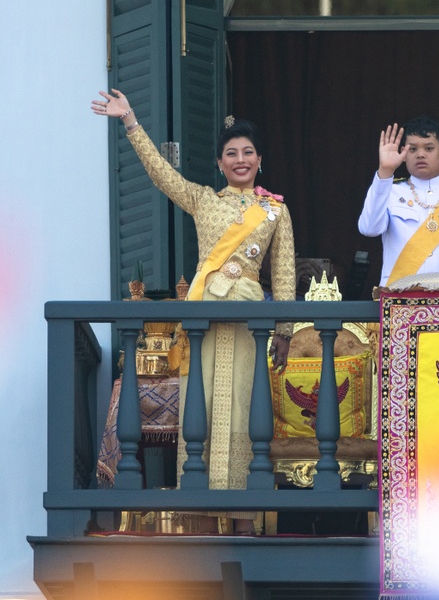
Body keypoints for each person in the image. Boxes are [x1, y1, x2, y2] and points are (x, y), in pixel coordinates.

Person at [92, 89, 296, 533]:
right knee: (196, 415)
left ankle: (244, 520)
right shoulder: (204, 199)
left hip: (247, 324)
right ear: (220, 163)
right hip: (201, 320)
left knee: (243, 412)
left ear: (259, 159)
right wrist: (130, 122)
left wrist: (283, 329)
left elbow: (282, 273)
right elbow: (162, 174)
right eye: (230, 154)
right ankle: (201, 519)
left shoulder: (275, 211)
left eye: (247, 152)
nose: (239, 159)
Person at [358, 116, 439, 285]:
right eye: (412, 149)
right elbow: (368, 228)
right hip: (400, 301)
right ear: (404, 153)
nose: (420, 154)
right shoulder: (389, 191)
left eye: (428, 148)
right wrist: (385, 171)